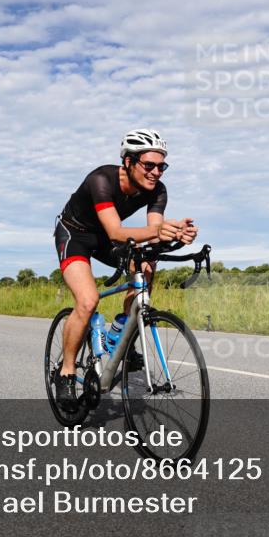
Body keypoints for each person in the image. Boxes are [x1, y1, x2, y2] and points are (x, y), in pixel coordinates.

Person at [53, 129, 199, 409]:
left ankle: (123, 331)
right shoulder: (101, 180)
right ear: (129, 162)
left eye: (162, 166)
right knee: (87, 301)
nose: (156, 172)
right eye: (149, 165)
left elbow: (154, 232)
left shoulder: (157, 189)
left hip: (107, 238)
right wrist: (159, 230)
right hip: (75, 235)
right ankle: (67, 372)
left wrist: (176, 234)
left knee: (147, 266)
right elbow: (116, 231)